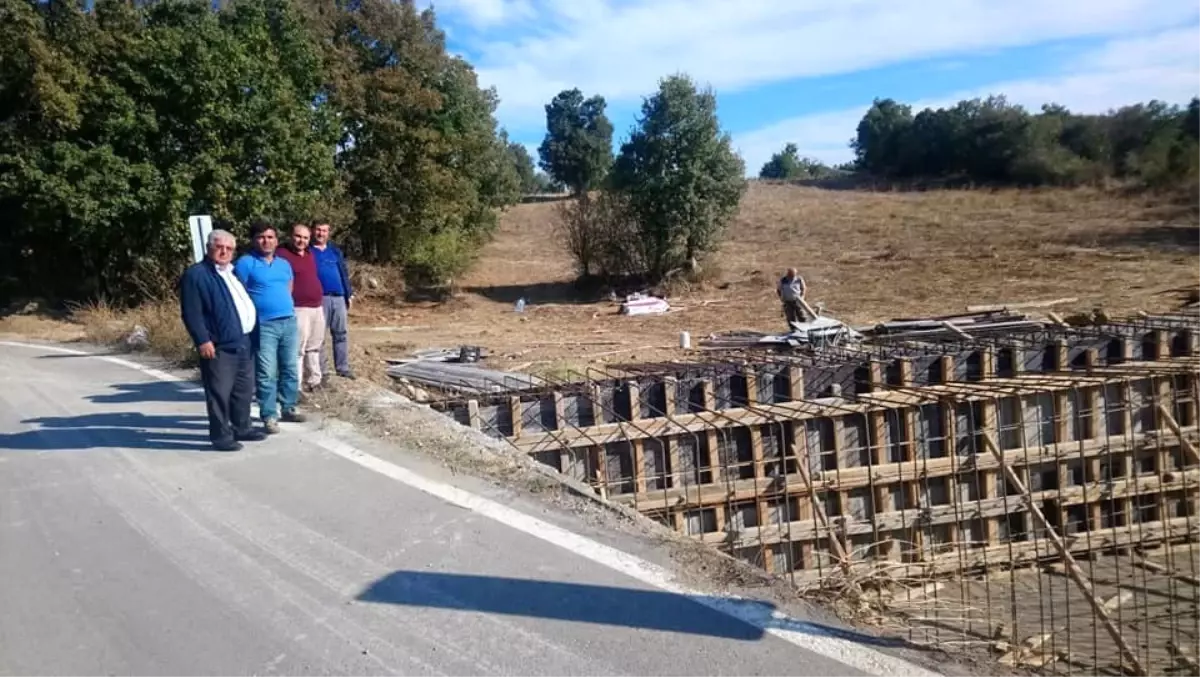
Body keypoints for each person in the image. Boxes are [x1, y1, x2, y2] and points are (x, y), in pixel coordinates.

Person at [178, 229, 266, 451]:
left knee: (243, 391)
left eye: (229, 248)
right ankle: (221, 436)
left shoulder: (232, 272)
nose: (224, 251)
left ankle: (242, 427)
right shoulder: (196, 274)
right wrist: (202, 340)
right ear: (209, 248)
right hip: (219, 345)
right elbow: (192, 312)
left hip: (244, 342)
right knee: (219, 393)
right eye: (219, 247)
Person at [234, 221, 306, 433]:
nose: (266, 241)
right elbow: (241, 294)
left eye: (270, 237)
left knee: (290, 368)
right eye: (261, 237)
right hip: (264, 325)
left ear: (276, 240)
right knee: (266, 372)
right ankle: (268, 415)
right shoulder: (246, 263)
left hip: (288, 322)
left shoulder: (284, 264)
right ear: (254, 240)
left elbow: (288, 288)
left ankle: (289, 407)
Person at [276, 223, 325, 392]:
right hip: (299, 308)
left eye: (305, 238)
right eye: (298, 236)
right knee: (298, 349)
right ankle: (294, 387)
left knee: (314, 346)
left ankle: (314, 381)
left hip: (316, 306)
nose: (301, 240)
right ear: (291, 236)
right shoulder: (282, 255)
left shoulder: (309, 254)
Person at [310, 220, 356, 380]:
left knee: (341, 333)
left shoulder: (335, 252)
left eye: (324, 231)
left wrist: (348, 293)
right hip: (320, 298)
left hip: (339, 296)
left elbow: (343, 272)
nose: (321, 234)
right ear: (312, 231)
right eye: (318, 230)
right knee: (319, 336)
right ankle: (322, 371)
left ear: (328, 233)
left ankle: (342, 368)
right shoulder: (308, 252)